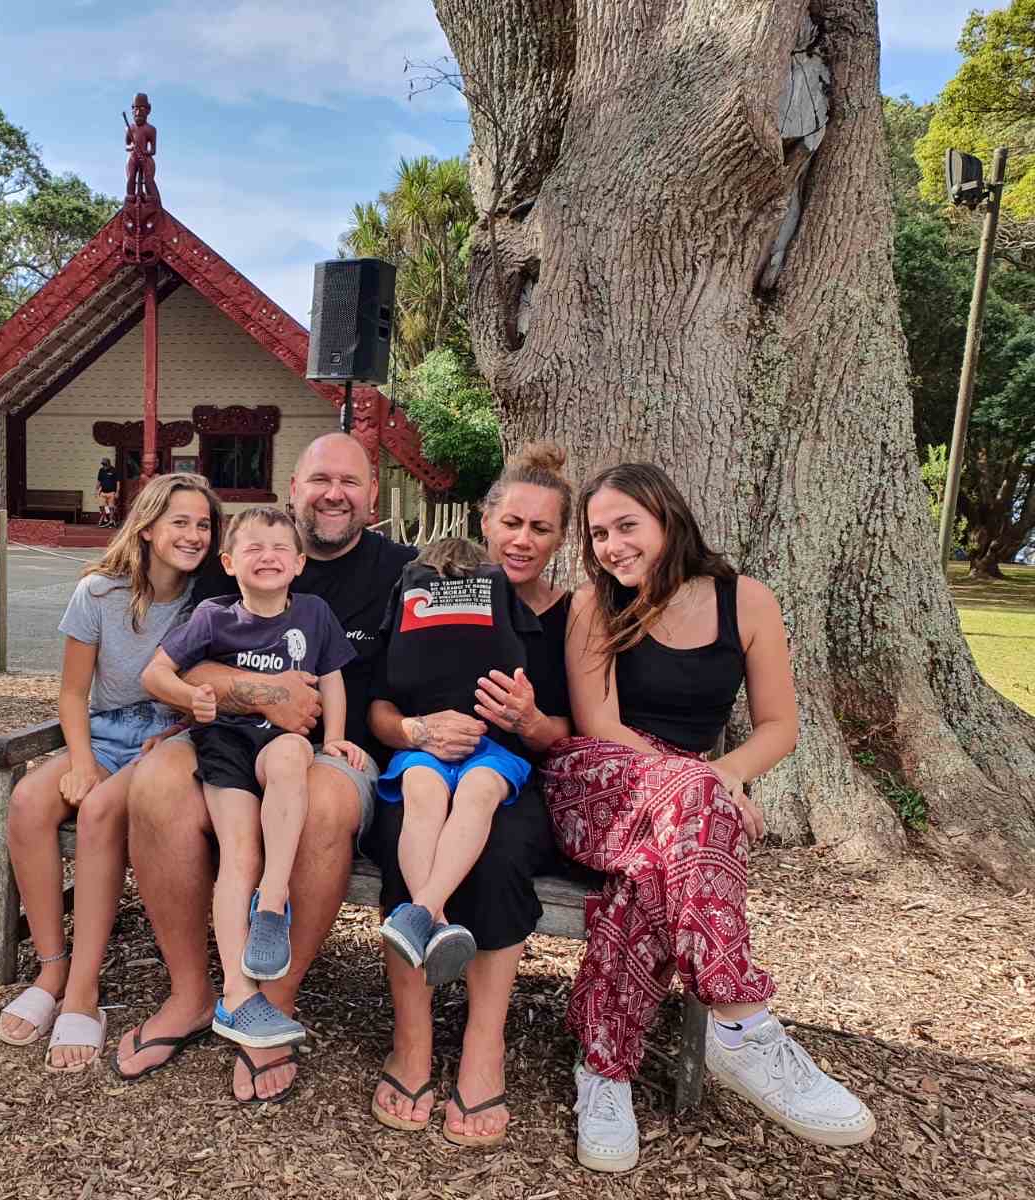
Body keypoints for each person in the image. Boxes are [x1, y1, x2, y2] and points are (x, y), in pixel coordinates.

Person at [547, 462, 875, 1173]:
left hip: (687, 808)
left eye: (626, 526)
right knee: (692, 805)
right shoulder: (592, 605)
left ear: (668, 519)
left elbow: (780, 726)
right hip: (598, 783)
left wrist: (723, 774)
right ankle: (742, 1022)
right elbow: (599, 724)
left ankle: (602, 1069)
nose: (612, 546)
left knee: (647, 879)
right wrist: (700, 780)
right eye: (598, 534)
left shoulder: (746, 601)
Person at [114, 433, 415, 1102]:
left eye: (350, 482)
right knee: (157, 784)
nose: (334, 494)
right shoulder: (240, 558)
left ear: (372, 495)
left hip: (337, 749)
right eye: (319, 480)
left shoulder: (402, 570)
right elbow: (187, 661)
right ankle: (193, 993)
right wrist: (265, 693)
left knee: (323, 804)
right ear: (294, 489)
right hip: (228, 730)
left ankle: (271, 1004)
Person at [366, 444, 575, 1147]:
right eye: (511, 522)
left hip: (516, 773)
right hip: (425, 762)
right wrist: (416, 731)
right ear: (485, 522)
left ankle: (484, 1049)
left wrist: (530, 720)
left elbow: (574, 730)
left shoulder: (571, 615)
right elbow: (380, 704)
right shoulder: (425, 585)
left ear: (560, 539)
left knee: (500, 852)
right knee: (405, 823)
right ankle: (412, 1042)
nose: (522, 539)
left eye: (541, 528)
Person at [0, 472, 221, 1071]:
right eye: (180, 522)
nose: (194, 535)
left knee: (97, 811)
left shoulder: (211, 600)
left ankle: (84, 990)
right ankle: (52, 970)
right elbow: (73, 693)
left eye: (203, 524)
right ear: (146, 527)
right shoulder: (97, 593)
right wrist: (82, 762)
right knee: (29, 802)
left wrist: (175, 732)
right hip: (102, 733)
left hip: (167, 742)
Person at [143, 506, 363, 1049]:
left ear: (299, 563)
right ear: (229, 562)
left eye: (280, 548)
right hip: (226, 744)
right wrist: (190, 697)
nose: (268, 556)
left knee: (292, 754)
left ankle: (270, 904)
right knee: (238, 852)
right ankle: (237, 998)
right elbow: (155, 673)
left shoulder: (313, 613)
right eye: (254, 548)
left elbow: (332, 678)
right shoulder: (213, 617)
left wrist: (334, 736)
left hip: (281, 741)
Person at [372, 537, 534, 989]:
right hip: (472, 745)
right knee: (450, 792)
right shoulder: (502, 589)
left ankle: (422, 913)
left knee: (434, 793)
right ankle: (438, 923)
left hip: (454, 748)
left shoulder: (406, 590)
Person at [96, 459, 119, 527]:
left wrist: (117, 491)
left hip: (111, 492)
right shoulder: (101, 470)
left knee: (111, 507)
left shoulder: (114, 470)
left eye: (105, 464)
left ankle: (111, 521)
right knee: (101, 506)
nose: (104, 466)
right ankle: (105, 518)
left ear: (109, 464)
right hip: (103, 492)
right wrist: (96, 490)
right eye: (103, 464)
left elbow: (118, 482)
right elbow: (99, 481)